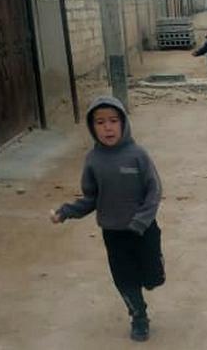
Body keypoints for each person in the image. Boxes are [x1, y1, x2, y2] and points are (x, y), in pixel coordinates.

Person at [50, 96, 164, 342]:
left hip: (144, 230)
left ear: (123, 123)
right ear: (92, 127)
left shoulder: (138, 155)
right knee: (124, 279)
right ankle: (139, 317)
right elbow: (90, 198)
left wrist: (141, 221)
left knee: (153, 278)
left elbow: (154, 191)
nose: (107, 127)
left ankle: (153, 273)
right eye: (100, 122)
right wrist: (66, 211)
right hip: (113, 233)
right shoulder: (93, 160)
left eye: (113, 121)